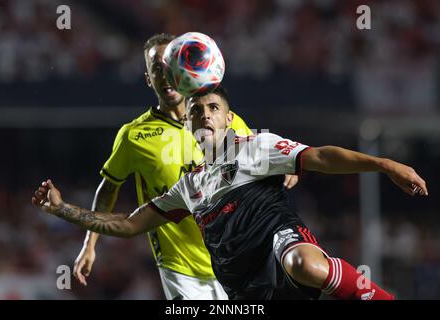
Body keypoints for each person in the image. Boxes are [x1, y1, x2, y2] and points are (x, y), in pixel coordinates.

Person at [33, 87, 428, 300]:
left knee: (305, 266)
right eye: (196, 111)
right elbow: (126, 224)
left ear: (227, 118)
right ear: (187, 126)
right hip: (244, 288)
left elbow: (322, 156)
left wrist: (385, 165)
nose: (204, 113)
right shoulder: (187, 188)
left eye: (213, 108)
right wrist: (63, 209)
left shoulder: (255, 147)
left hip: (282, 246)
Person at [72, 33, 298, 300]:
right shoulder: (134, 136)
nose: (163, 74)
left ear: (184, 71)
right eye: (155, 68)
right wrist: (89, 244)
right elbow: (109, 188)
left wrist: (284, 165)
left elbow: (258, 153)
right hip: (181, 268)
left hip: (234, 258)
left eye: (169, 67)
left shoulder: (223, 118)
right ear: (148, 79)